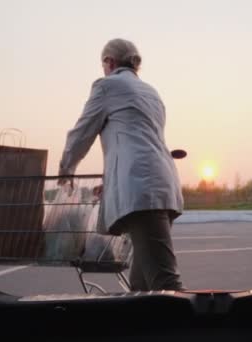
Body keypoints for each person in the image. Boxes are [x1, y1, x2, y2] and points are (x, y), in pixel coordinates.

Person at [58, 38, 185, 291]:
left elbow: (81, 133)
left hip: (142, 191)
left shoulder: (107, 86)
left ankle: (193, 330)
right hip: (162, 184)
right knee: (141, 286)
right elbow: (135, 140)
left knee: (165, 282)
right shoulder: (151, 91)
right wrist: (113, 182)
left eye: (103, 64)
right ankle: (145, 330)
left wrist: (66, 170)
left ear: (109, 62)